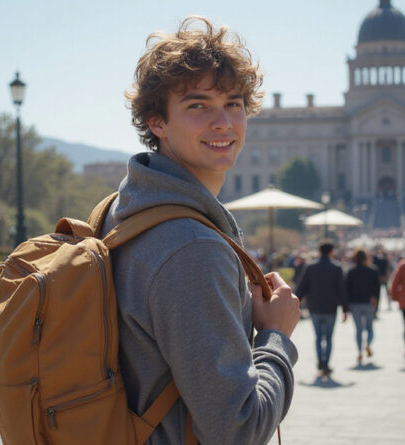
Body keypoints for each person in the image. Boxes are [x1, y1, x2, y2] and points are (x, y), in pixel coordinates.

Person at [99, 16, 301, 444]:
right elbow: (236, 429)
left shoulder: (119, 210)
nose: (224, 122)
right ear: (156, 122)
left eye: (233, 103)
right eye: (197, 105)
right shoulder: (190, 248)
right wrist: (277, 336)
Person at [297, 241, 349, 374]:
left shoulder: (310, 267)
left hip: (314, 307)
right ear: (331, 252)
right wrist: (345, 308)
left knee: (318, 337)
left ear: (319, 252)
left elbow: (301, 288)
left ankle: (320, 360)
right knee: (329, 337)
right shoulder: (336, 268)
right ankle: (326, 362)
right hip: (331, 308)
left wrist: (295, 303)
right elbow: (342, 290)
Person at [346, 247, 379, 365]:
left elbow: (347, 289)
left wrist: (346, 306)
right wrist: (377, 303)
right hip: (368, 302)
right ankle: (368, 344)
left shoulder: (351, 271)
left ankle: (359, 351)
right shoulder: (373, 271)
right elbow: (377, 289)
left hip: (355, 303)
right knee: (370, 327)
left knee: (359, 329)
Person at [372, 246, 392, 311]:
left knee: (379, 293)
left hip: (380, 277)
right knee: (383, 293)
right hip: (383, 277)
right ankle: (387, 305)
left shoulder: (376, 259)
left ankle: (377, 307)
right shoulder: (383, 259)